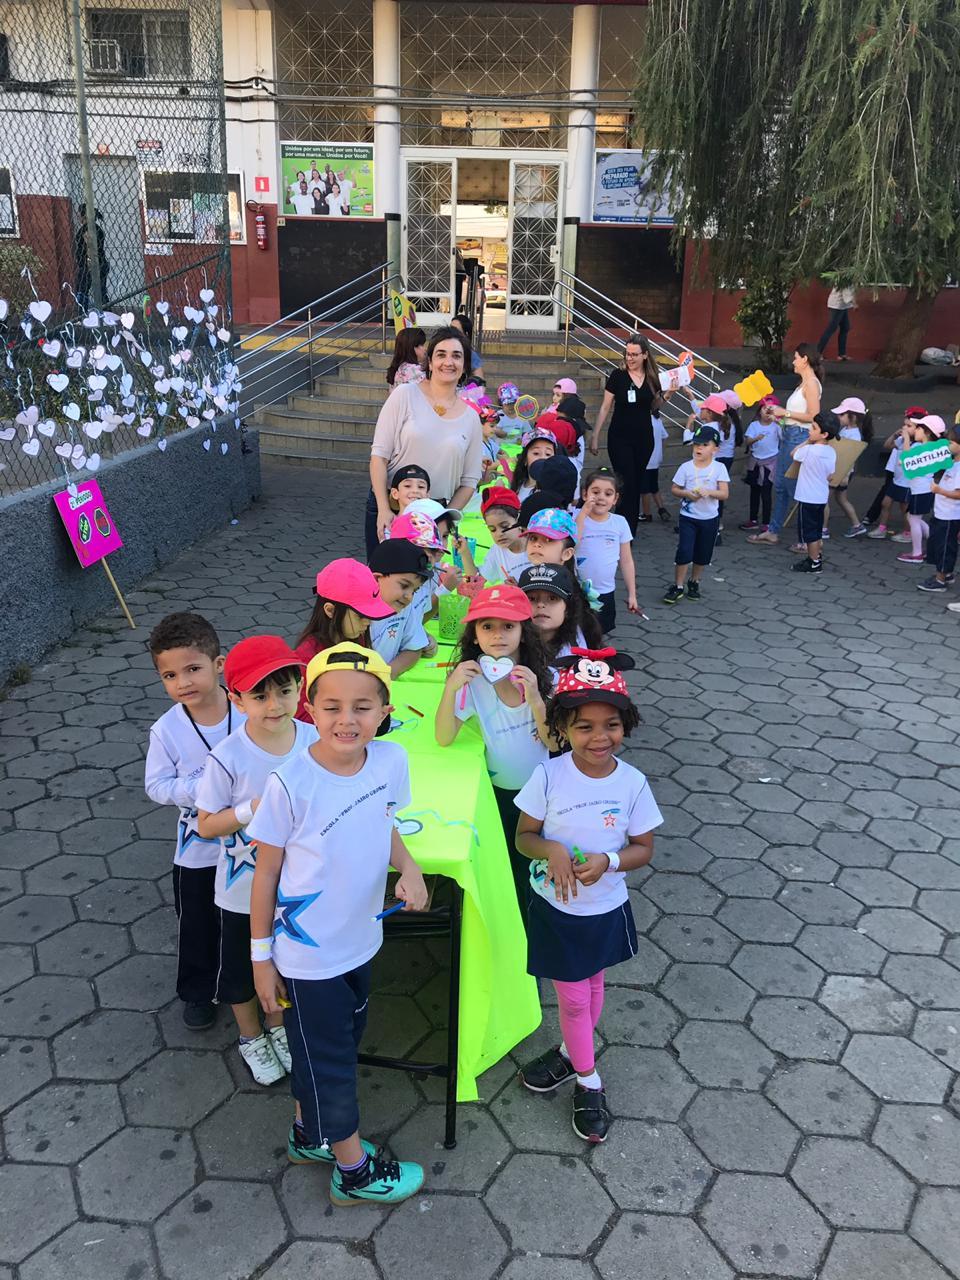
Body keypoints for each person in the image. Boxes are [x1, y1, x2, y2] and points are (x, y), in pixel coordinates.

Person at [249, 643, 428, 1205]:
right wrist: (260, 959)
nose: (346, 720)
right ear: (310, 709)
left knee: (331, 1044)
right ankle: (353, 1172)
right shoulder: (289, 783)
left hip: (361, 939)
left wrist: (411, 869)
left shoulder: (391, 761)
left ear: (385, 710)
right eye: (331, 707)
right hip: (309, 956)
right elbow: (265, 872)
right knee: (331, 1062)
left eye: (362, 707)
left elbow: (386, 823)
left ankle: (309, 1135)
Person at [514, 647, 662, 1143]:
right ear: (561, 727)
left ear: (626, 724)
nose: (600, 737)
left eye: (611, 725)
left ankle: (568, 1054)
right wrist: (551, 849)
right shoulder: (548, 775)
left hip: (605, 907)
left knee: (593, 986)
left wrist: (609, 862)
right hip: (557, 909)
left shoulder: (633, 783)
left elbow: (643, 848)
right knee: (575, 1001)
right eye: (584, 727)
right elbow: (524, 837)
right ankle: (588, 1080)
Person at [195, 636, 318, 1084]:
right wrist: (253, 809)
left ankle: (278, 1026)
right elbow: (206, 824)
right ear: (236, 699)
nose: (275, 705)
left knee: (282, 961)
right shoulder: (226, 757)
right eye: (259, 696)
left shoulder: (314, 739)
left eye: (284, 691)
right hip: (242, 889)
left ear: (300, 689)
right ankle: (250, 1036)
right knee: (241, 969)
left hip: (297, 884)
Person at [145, 613, 242, 1031]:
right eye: (169, 675)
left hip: (250, 844)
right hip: (197, 849)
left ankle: (245, 982)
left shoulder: (247, 708)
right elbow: (156, 786)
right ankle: (198, 990)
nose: (182, 682)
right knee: (197, 921)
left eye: (192, 669)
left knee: (244, 917)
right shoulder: (166, 730)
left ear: (218, 664)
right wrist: (200, 788)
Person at [435, 584, 554, 923]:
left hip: (542, 789)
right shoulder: (472, 681)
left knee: (536, 860)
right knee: (506, 858)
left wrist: (536, 699)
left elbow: (553, 742)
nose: (497, 635)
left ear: (523, 631)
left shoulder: (541, 675)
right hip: (499, 790)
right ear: (474, 634)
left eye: (508, 626)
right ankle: (509, 918)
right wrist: (451, 687)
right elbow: (444, 737)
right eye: (487, 626)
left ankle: (538, 916)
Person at [368, 327, 483, 556]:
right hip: (392, 507)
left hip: (436, 513)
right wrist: (383, 508)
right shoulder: (404, 395)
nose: (448, 362)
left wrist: (444, 520)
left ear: (464, 366)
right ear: (429, 362)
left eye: (456, 356)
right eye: (441, 354)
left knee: (427, 578)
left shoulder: (471, 417)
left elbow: (469, 481)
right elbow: (379, 456)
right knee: (385, 575)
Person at [293, 559, 394, 721]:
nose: (368, 622)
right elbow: (301, 717)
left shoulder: (357, 639)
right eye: (360, 616)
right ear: (330, 610)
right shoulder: (306, 658)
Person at [590, 334, 668, 536]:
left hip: (644, 438)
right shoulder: (618, 376)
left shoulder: (653, 378)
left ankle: (628, 530)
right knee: (626, 482)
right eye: (627, 353)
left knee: (637, 482)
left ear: (645, 355)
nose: (630, 358)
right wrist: (596, 435)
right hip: (620, 437)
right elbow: (605, 407)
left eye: (634, 354)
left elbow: (654, 406)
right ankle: (622, 528)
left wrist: (668, 394)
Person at [748, 344, 824, 546]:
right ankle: (773, 531)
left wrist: (785, 413)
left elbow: (814, 416)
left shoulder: (811, 384)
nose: (793, 361)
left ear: (805, 359)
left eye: (796, 357)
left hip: (798, 437)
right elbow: (795, 417)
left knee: (793, 487)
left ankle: (806, 540)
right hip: (790, 435)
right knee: (781, 486)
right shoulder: (803, 383)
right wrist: (779, 417)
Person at [663, 425, 730, 605]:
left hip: (709, 519)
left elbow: (724, 493)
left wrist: (710, 492)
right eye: (696, 444)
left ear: (715, 449)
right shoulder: (686, 467)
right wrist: (686, 493)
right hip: (688, 518)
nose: (699, 448)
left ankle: (694, 581)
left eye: (705, 445)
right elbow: (675, 489)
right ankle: (678, 585)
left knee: (703, 552)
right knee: (684, 550)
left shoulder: (719, 468)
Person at [522, 508, 604, 647]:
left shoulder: (572, 590)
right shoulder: (525, 575)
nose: (537, 544)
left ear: (567, 553)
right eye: (533, 538)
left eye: (548, 539)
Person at [575, 468, 641, 632]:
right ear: (584, 494)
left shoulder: (620, 522)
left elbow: (626, 561)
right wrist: (583, 514)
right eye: (595, 492)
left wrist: (632, 594)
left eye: (608, 494)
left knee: (599, 632)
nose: (601, 497)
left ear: (615, 499)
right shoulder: (576, 518)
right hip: (577, 590)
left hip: (605, 592)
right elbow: (572, 544)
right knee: (575, 632)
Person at [368, 539, 432, 678]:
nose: (409, 596)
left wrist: (387, 674)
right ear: (376, 579)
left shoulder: (405, 608)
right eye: (404, 585)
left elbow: (414, 649)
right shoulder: (353, 612)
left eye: (415, 590)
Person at [790, 411, 839, 575]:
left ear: (824, 434)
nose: (810, 430)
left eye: (814, 428)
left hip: (807, 496)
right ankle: (816, 556)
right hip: (821, 496)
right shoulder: (831, 452)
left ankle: (813, 562)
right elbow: (830, 474)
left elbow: (793, 454)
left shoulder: (808, 450)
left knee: (809, 532)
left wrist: (807, 441)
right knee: (816, 530)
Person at [896, 414, 946, 566]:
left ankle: (917, 553)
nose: (915, 431)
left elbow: (904, 462)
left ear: (927, 432)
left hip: (920, 490)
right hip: (922, 489)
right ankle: (934, 543)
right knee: (914, 518)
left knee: (914, 520)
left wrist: (906, 439)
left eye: (918, 428)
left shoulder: (922, 448)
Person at [518, 564, 583, 680]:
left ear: (568, 609)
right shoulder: (508, 644)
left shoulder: (578, 654)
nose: (540, 604)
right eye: (531, 598)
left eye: (552, 598)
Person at [866, 408, 919, 541]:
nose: (904, 428)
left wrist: (906, 439)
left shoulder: (917, 446)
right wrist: (895, 435)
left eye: (909, 426)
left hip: (907, 483)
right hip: (896, 480)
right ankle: (882, 528)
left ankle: (907, 532)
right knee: (885, 503)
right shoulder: (901, 440)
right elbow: (887, 446)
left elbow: (907, 456)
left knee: (905, 509)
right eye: (904, 425)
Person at [919, 427, 960, 594]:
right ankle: (946, 574)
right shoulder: (953, 463)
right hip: (941, 513)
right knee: (937, 544)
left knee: (945, 547)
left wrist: (939, 491)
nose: (947, 445)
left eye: (951, 442)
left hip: (950, 516)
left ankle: (940, 579)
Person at [827, 397, 873, 538]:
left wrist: (845, 475)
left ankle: (822, 529)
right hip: (841, 470)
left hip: (841, 471)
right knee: (841, 498)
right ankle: (856, 525)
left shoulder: (854, 436)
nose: (838, 417)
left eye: (842, 414)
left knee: (824, 499)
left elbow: (850, 457)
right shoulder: (846, 429)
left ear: (853, 417)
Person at [740, 395, 780, 531]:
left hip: (770, 463)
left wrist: (779, 421)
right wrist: (756, 438)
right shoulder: (754, 425)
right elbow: (747, 441)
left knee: (766, 493)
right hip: (755, 462)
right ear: (759, 411)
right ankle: (753, 519)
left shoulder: (776, 426)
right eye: (765, 409)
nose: (767, 412)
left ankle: (766, 522)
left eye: (771, 409)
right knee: (754, 492)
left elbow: (784, 437)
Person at [476, 487, 530, 583]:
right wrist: (464, 552)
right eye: (492, 529)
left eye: (505, 526)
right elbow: (477, 582)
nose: (499, 534)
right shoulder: (496, 552)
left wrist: (519, 588)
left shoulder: (536, 544)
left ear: (518, 519)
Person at [511, 429, 558, 503]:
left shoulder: (554, 492)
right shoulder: (518, 485)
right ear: (525, 459)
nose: (542, 458)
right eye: (536, 453)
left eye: (548, 454)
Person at [75, 207, 109, 309]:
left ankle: (83, 313)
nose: (77, 216)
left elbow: (90, 247)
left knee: (82, 291)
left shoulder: (87, 229)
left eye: (79, 214)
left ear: (84, 216)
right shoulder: (96, 228)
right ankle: (106, 312)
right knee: (101, 291)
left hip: (89, 265)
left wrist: (89, 262)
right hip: (100, 263)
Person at [639, 415, 670, 523]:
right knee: (654, 487)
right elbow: (665, 436)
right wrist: (660, 450)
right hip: (656, 459)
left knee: (645, 490)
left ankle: (647, 514)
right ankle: (661, 509)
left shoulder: (641, 419)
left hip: (645, 459)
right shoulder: (657, 420)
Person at [818, 284, 856, 361]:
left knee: (845, 327)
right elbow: (847, 295)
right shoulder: (845, 279)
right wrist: (854, 304)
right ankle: (818, 353)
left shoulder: (850, 279)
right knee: (831, 328)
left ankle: (842, 354)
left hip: (842, 306)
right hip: (836, 306)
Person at [451, 313, 484, 381]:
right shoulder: (440, 348)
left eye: (455, 330)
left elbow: (480, 380)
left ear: (465, 334)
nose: (450, 332)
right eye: (450, 328)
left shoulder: (471, 355)